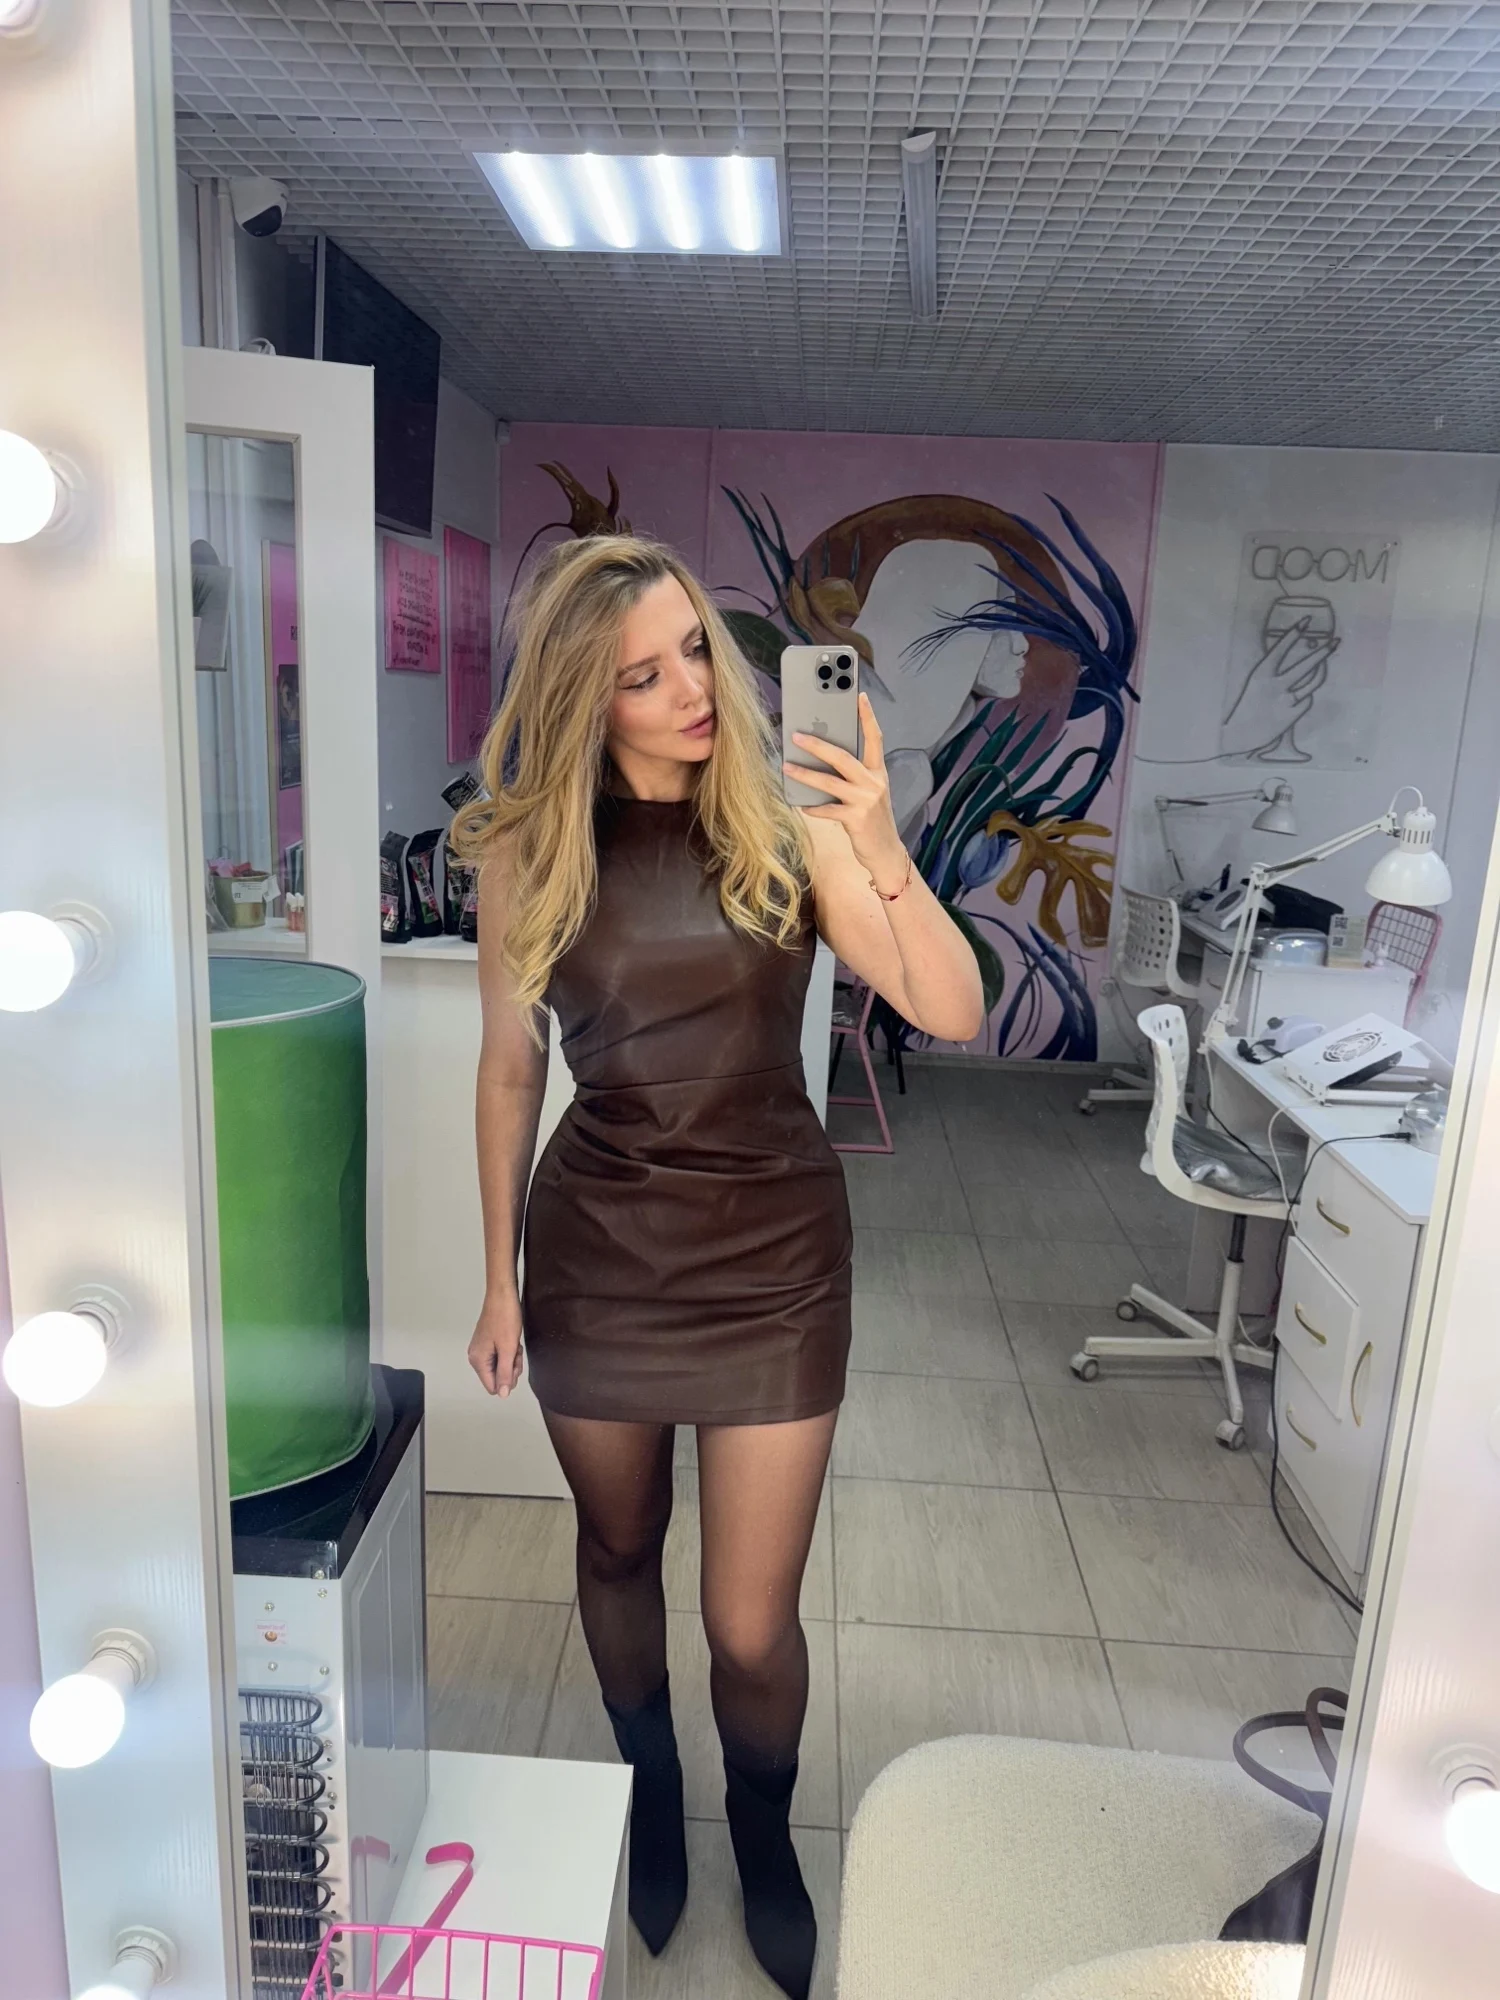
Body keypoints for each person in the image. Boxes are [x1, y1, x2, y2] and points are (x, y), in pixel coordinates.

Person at [453, 535, 983, 1998]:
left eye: (695, 646)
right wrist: (497, 1275)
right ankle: (650, 1790)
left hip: (776, 1257)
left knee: (751, 1625)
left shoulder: (788, 820)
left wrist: (878, 843)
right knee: (617, 1548)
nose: (693, 689)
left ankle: (762, 1826)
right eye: (642, 674)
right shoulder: (527, 849)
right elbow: (510, 1067)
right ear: (583, 697)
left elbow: (949, 1006)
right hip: (598, 1252)